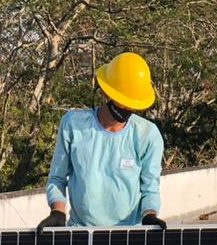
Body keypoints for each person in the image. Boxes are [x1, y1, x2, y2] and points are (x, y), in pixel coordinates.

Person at [37, 52, 166, 231]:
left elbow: (150, 187)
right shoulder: (73, 125)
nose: (128, 109)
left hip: (129, 235)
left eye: (132, 105)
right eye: (123, 102)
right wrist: (57, 211)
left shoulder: (147, 135)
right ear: (106, 92)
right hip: (80, 232)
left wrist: (150, 215)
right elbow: (57, 178)